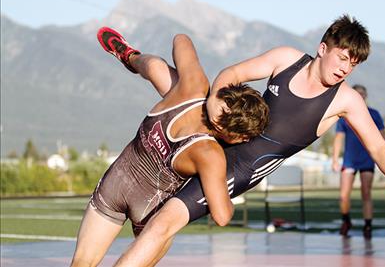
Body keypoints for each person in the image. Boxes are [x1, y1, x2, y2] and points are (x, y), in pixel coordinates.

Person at [109, 15, 385, 267]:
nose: (345, 69)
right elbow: (230, 74)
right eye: (342, 57)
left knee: (161, 225)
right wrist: (213, 106)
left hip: (236, 166)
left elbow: (377, 145)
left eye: (353, 64)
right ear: (323, 49)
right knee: (175, 80)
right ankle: (130, 56)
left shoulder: (346, 101)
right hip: (224, 125)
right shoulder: (286, 58)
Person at [70, 28, 269, 267]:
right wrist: (233, 186)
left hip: (115, 184)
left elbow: (181, 38)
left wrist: (210, 92)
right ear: (235, 135)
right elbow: (222, 216)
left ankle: (130, 57)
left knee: (157, 68)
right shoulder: (210, 155)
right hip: (150, 211)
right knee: (159, 233)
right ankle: (131, 58)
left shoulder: (194, 86)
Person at [332, 84, 385, 239]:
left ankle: (368, 225)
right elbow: (339, 137)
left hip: (367, 159)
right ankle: (346, 220)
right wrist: (335, 158)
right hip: (349, 160)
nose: (360, 96)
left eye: (363, 94)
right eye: (358, 94)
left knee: (366, 192)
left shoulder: (374, 114)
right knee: (343, 195)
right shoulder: (344, 114)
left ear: (366, 96)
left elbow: (383, 136)